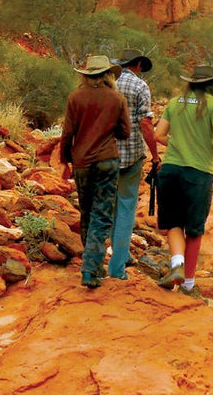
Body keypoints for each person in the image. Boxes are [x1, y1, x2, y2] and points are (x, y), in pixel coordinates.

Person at [154, 65, 213, 298]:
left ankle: (176, 265)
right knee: (194, 230)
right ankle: (188, 285)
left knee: (173, 223)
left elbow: (158, 135)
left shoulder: (175, 103)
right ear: (212, 84)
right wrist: (210, 154)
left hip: (171, 169)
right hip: (199, 173)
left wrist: (176, 146)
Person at [60, 55, 130, 288]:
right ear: (109, 75)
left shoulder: (75, 98)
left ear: (86, 75)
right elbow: (125, 133)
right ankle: (91, 268)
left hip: (82, 163)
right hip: (107, 161)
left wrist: (65, 160)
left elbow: (67, 133)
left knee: (87, 213)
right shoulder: (117, 99)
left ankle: (92, 265)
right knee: (102, 215)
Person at [108, 48, 161, 280]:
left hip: (106, 155)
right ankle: (117, 268)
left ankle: (123, 254)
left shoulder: (108, 84)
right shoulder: (140, 87)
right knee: (127, 208)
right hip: (131, 156)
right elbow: (146, 125)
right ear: (138, 65)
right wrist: (155, 155)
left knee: (111, 207)